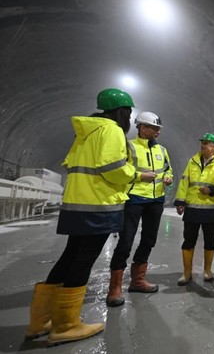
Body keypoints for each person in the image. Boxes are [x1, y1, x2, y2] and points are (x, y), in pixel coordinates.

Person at [24, 88, 138, 346]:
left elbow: (71, 164)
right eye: (128, 113)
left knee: (69, 257)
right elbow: (113, 168)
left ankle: (39, 321)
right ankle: (66, 325)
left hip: (77, 203)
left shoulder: (87, 132)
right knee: (83, 261)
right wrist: (133, 173)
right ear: (123, 112)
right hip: (97, 205)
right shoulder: (111, 130)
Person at [106, 111, 173, 307]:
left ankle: (138, 280)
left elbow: (168, 169)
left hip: (156, 200)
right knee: (125, 241)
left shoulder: (162, 150)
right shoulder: (129, 146)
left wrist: (168, 178)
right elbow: (120, 171)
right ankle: (115, 288)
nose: (158, 133)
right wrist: (139, 177)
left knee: (149, 240)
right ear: (143, 128)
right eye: (155, 129)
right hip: (133, 199)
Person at [174, 133, 214, 285]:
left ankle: (207, 271)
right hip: (192, 208)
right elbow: (184, 182)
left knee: (210, 240)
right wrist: (180, 201)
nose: (203, 145)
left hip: (210, 209)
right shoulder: (192, 162)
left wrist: (212, 189)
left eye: (207, 143)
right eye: (202, 142)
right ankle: (186, 273)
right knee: (188, 240)